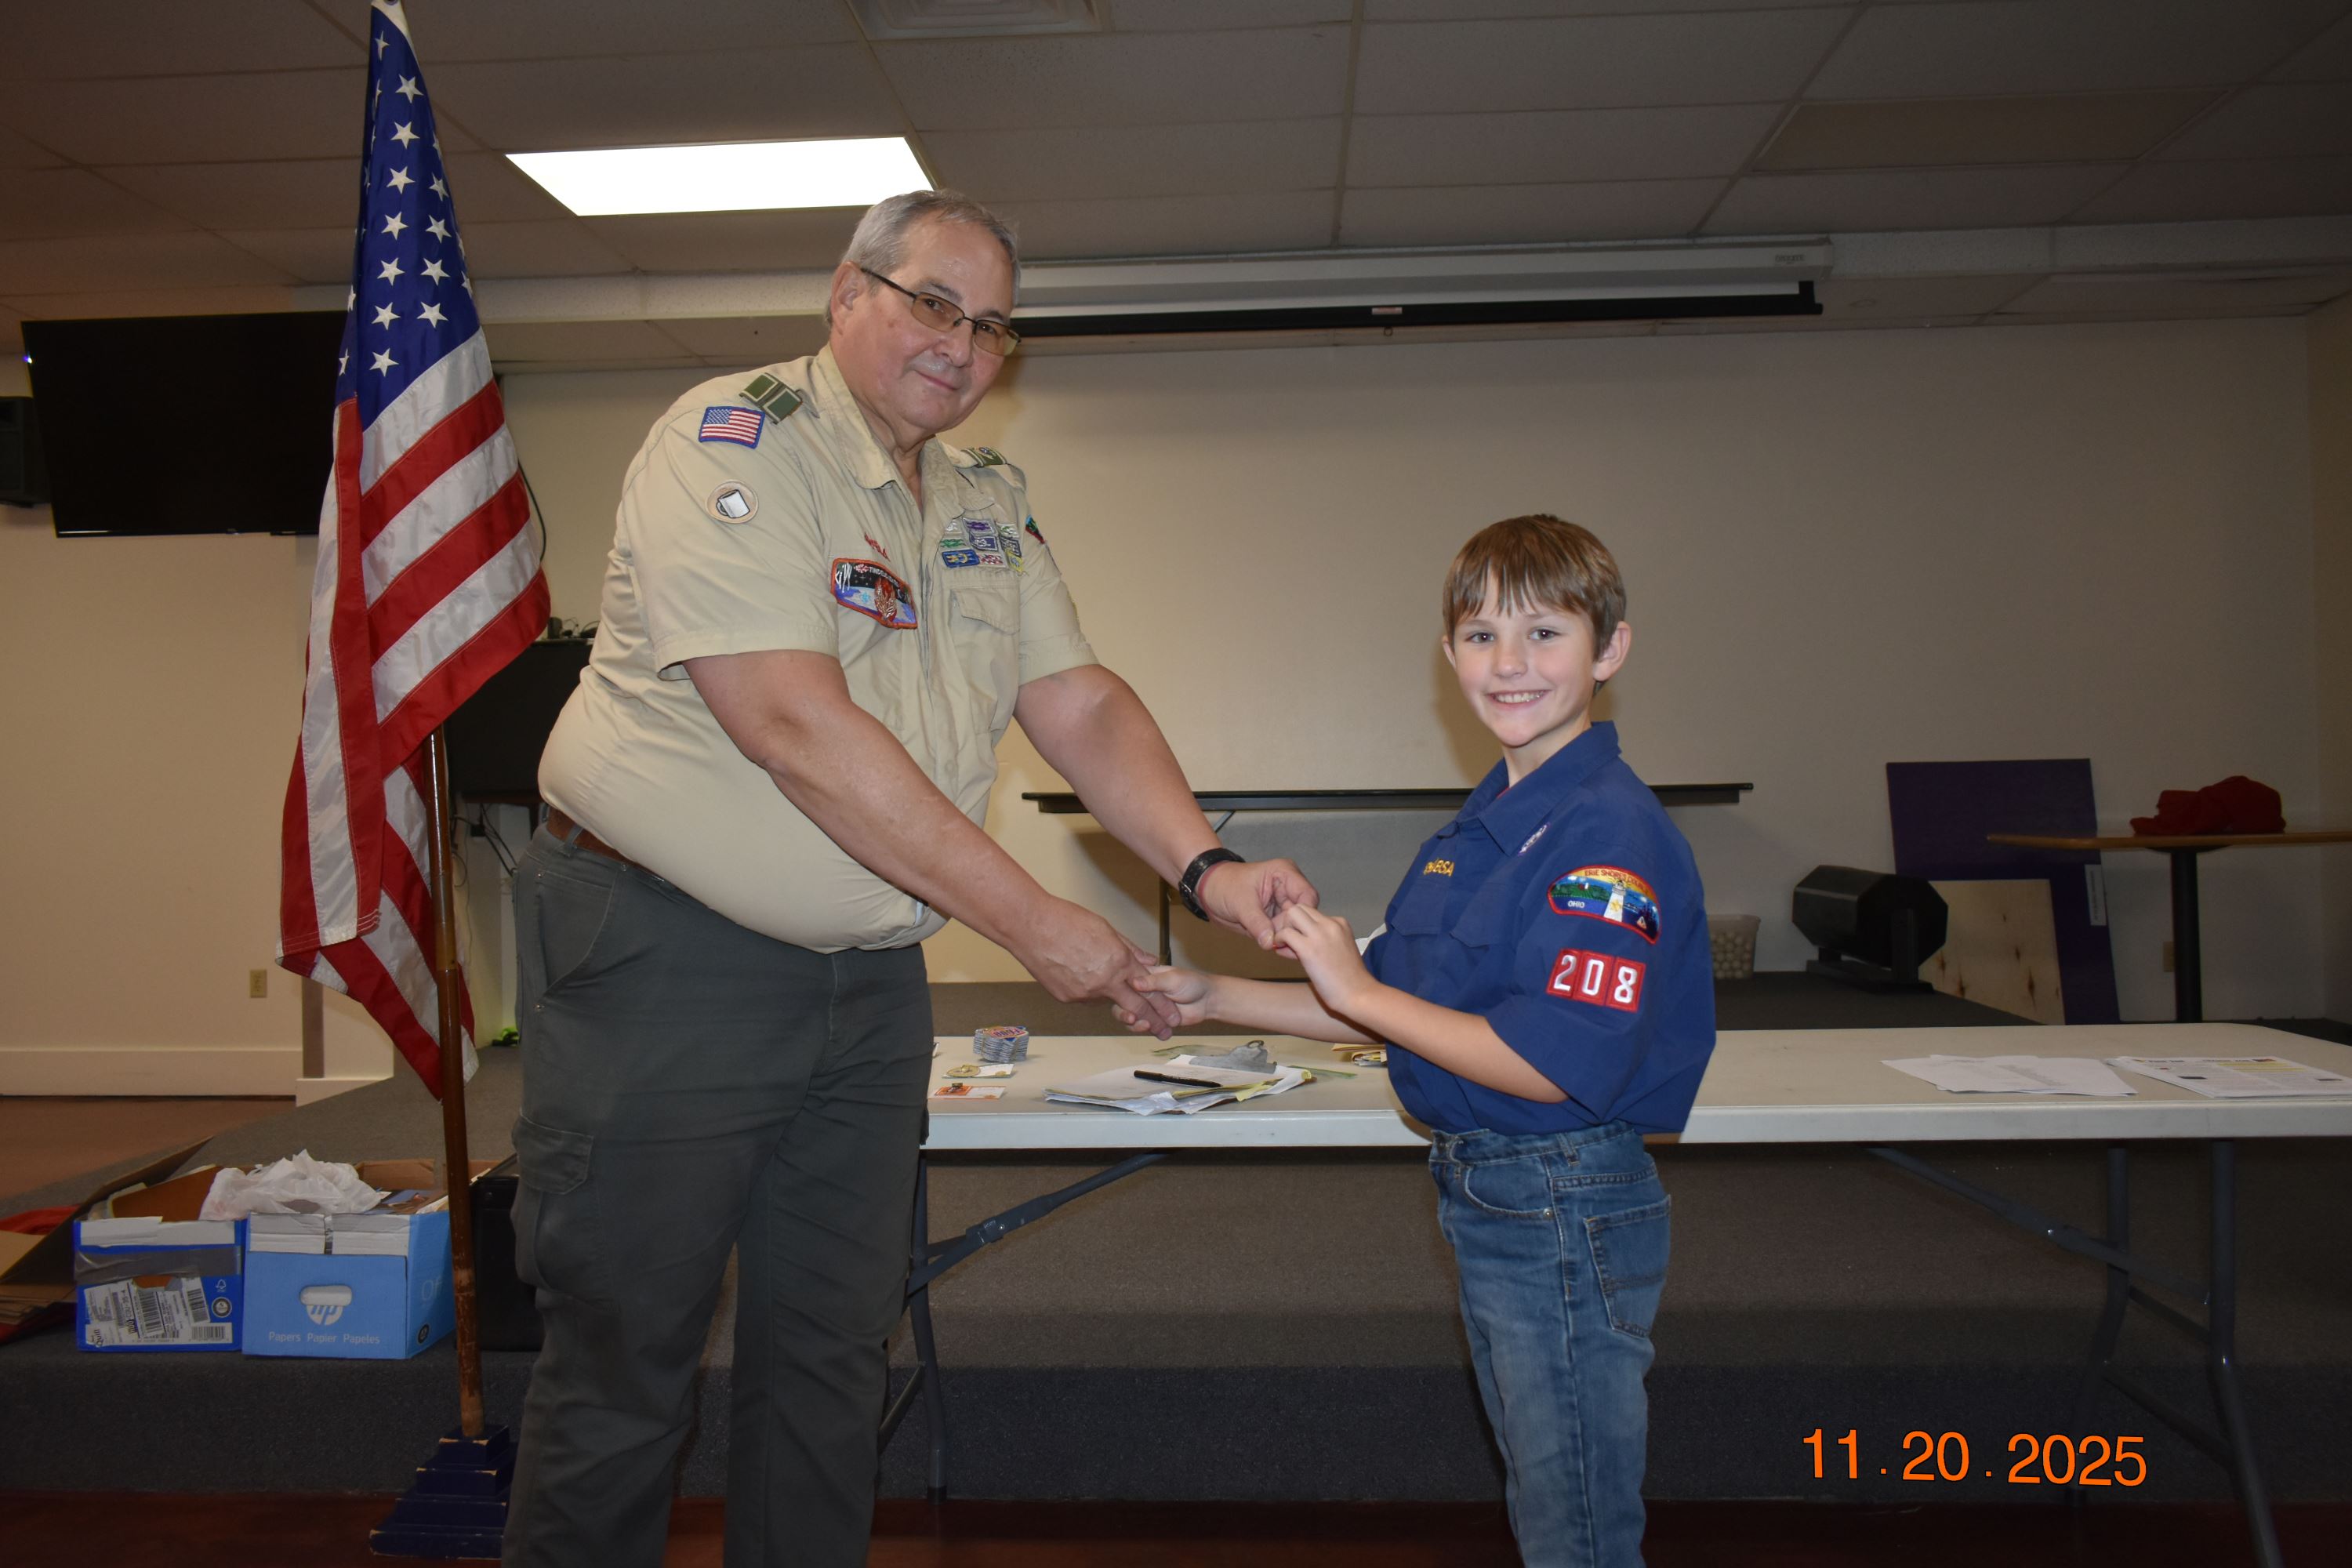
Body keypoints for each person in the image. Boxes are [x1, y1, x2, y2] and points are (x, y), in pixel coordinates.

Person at [503, 190, 1316, 1568]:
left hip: (871, 980)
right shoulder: (730, 443)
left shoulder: (986, 497)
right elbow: (794, 728)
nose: (963, 344)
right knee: (626, 1354)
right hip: (664, 958)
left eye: (992, 326)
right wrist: (1035, 923)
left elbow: (1079, 700)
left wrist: (1208, 865)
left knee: (832, 1352)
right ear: (847, 295)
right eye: (935, 303)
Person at [1123, 514, 1714, 1568]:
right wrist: (1216, 995)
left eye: (1544, 633)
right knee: (1547, 1495)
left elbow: (1546, 1065)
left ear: (1610, 649)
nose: (1510, 663)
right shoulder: (1484, 825)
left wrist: (1356, 984)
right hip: (1498, 1191)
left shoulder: (1603, 831)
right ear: (1449, 655)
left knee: (1575, 1517)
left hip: (1560, 1193)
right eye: (1482, 636)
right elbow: (1396, 1001)